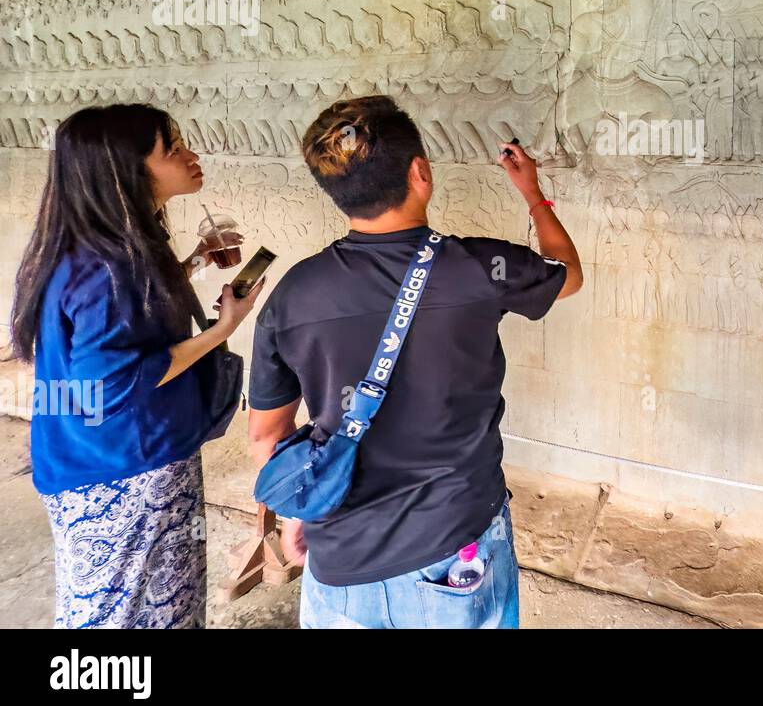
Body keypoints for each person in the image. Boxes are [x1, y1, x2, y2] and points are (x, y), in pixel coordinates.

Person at [248, 95, 582, 629]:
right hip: (456, 547)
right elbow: (567, 272)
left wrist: (295, 511)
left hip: (339, 557)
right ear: (420, 173)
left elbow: (267, 437)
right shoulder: (479, 267)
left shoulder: (292, 295)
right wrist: (532, 194)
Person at [9, 104, 264, 629]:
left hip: (93, 454)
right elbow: (117, 381)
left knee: (143, 606)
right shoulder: (106, 266)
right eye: (172, 150)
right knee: (119, 616)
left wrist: (192, 263)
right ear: (126, 169)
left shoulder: (99, 248)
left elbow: (129, 318)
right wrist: (221, 330)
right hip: (125, 468)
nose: (191, 157)